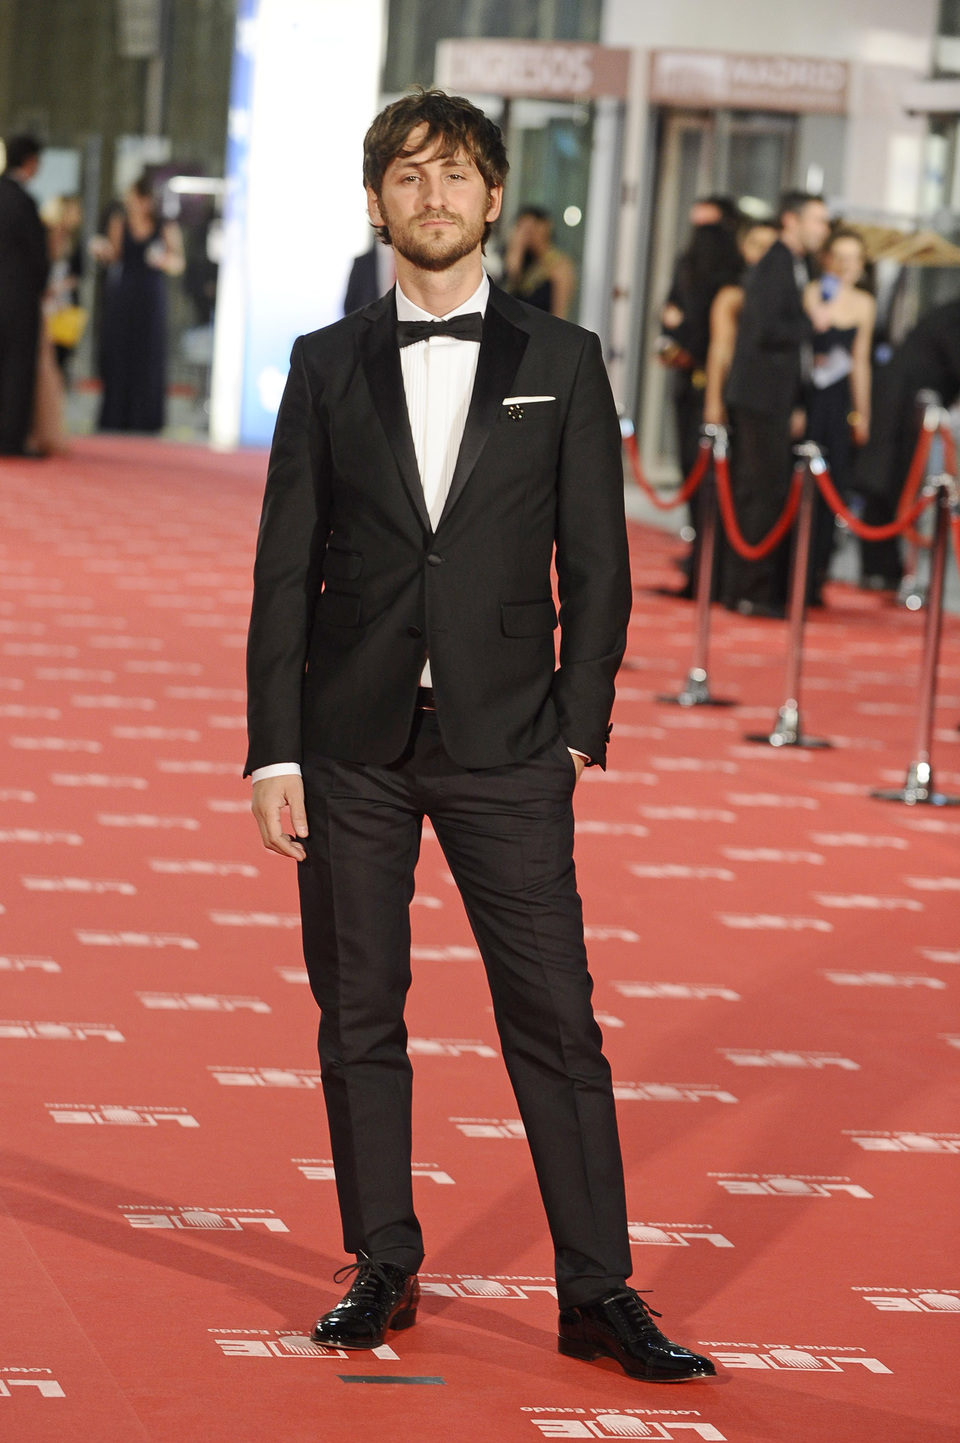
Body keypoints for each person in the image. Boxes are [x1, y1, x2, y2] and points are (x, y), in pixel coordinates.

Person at [245, 87, 715, 1386]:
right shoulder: (324, 362)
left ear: (494, 195)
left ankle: (597, 1286)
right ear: (378, 200)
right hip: (349, 738)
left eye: (454, 175)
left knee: (556, 1018)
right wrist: (270, 750)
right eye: (408, 176)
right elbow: (283, 571)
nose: (432, 197)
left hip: (512, 740)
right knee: (359, 1011)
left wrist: (579, 729)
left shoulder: (563, 358)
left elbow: (602, 565)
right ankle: (381, 1261)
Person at [722, 191, 831, 616]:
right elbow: (766, 327)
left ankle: (750, 589)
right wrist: (812, 323)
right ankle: (753, 590)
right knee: (762, 493)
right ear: (792, 220)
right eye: (817, 220)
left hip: (771, 398)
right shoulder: (777, 263)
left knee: (762, 490)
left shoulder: (794, 264)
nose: (822, 229)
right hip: (761, 399)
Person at [657, 219, 744, 596]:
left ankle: (703, 572)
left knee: (701, 483)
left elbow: (691, 340)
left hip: (702, 393)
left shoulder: (703, 289)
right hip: (716, 392)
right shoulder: (734, 283)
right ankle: (708, 569)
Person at [854, 298, 960, 591]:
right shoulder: (953, 315)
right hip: (903, 403)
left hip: (908, 401)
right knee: (886, 478)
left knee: (893, 479)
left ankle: (884, 569)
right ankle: (880, 568)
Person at [802, 228, 875, 604]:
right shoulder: (814, 291)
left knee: (836, 482)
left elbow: (861, 361)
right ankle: (797, 569)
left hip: (839, 401)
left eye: (855, 259)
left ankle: (819, 572)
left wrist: (863, 413)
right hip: (811, 397)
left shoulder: (864, 303)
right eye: (841, 257)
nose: (847, 265)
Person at [91, 175, 184, 433]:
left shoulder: (164, 225)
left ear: (146, 200)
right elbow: (114, 254)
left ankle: (146, 417)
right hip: (125, 294)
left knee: (148, 355)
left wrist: (163, 260)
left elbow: (178, 262)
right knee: (120, 352)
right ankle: (117, 415)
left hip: (151, 296)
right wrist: (101, 250)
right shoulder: (120, 221)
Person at [0, 134, 49, 456]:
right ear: (29, 161)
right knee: (17, 371)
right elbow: (37, 257)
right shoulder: (24, 202)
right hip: (17, 300)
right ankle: (10, 439)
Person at [503, 205, 576, 318]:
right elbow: (507, 290)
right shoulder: (525, 262)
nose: (529, 235)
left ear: (546, 226)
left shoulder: (559, 265)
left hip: (544, 330)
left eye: (532, 228)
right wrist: (516, 248)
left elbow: (560, 313)